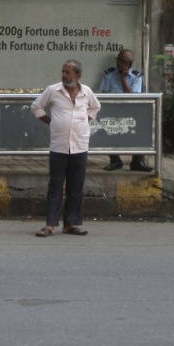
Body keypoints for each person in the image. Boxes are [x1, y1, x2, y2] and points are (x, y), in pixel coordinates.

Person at [30, 59, 101, 237]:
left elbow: (95, 107)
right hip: (59, 146)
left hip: (80, 145)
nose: (64, 75)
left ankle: (71, 224)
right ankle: (50, 225)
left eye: (68, 72)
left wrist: (84, 122)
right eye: (63, 71)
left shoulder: (87, 93)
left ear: (78, 76)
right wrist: (51, 122)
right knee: (55, 186)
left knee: (75, 186)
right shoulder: (53, 90)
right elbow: (36, 107)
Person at [100, 48, 151, 172]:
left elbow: (133, 97)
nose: (119, 64)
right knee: (107, 124)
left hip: (131, 110)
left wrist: (123, 78)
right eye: (118, 60)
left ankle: (137, 161)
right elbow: (103, 94)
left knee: (142, 126)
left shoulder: (136, 77)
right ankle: (115, 160)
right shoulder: (109, 75)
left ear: (129, 65)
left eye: (123, 62)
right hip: (113, 110)